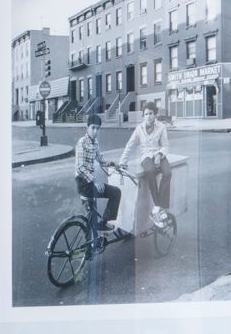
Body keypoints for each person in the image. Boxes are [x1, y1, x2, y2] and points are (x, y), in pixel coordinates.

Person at [120, 100, 175, 231]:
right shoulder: (139, 129)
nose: (148, 116)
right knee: (149, 171)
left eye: (150, 113)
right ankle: (158, 207)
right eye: (145, 114)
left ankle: (159, 208)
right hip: (145, 156)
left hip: (159, 154)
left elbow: (165, 145)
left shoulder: (161, 127)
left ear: (155, 114)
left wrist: (159, 155)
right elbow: (130, 145)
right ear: (143, 116)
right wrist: (123, 161)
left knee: (168, 173)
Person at [74, 109, 121, 246]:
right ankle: (104, 223)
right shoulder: (82, 143)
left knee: (91, 219)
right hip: (84, 183)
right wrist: (95, 181)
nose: (95, 131)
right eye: (93, 128)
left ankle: (90, 248)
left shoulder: (95, 143)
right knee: (116, 192)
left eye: (97, 129)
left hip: (88, 183)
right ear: (87, 128)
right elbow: (80, 167)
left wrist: (111, 164)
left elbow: (100, 160)